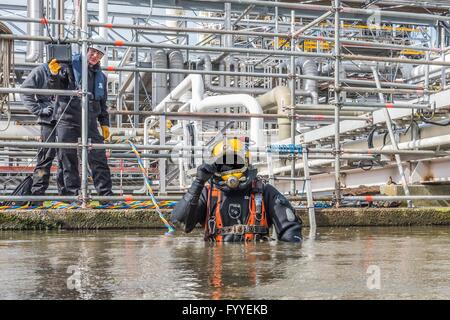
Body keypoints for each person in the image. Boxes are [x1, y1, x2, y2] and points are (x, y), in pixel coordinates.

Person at [171, 137, 302, 242]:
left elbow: (290, 231)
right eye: (223, 164)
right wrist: (198, 183)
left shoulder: (265, 192)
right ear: (214, 166)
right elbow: (180, 223)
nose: (229, 168)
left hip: (255, 267)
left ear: (246, 162)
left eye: (235, 162)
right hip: (216, 268)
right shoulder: (207, 193)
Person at [52, 37, 113, 199]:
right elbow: (56, 87)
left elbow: (102, 103)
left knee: (98, 157)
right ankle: (71, 196)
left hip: (90, 120)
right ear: (86, 50)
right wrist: (53, 73)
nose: (94, 56)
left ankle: (106, 196)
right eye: (93, 52)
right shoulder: (70, 66)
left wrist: (104, 123)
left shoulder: (101, 77)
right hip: (67, 118)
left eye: (98, 54)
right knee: (67, 157)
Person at [20, 59, 65, 203]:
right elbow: (25, 91)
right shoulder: (41, 71)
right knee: (45, 157)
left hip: (66, 119)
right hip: (48, 120)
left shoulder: (67, 70)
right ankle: (37, 195)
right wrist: (39, 111)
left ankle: (67, 196)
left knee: (67, 157)